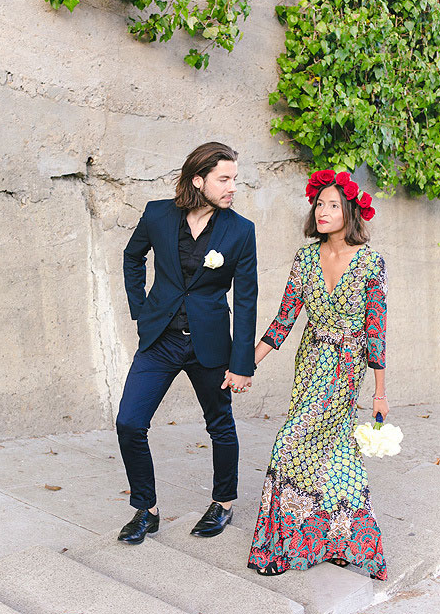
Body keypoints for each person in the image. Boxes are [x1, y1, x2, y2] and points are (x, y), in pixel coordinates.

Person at [248, 169, 388, 580]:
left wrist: (379, 393)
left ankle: (281, 549)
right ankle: (341, 540)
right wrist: (247, 364)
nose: (323, 211)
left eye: (333, 205)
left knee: (290, 442)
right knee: (334, 450)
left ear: (350, 211)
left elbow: (375, 331)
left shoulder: (370, 263)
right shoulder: (305, 257)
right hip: (310, 362)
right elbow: (285, 319)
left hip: (346, 367)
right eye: (319, 204)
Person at [117, 142, 257, 545]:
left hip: (209, 344)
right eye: (224, 179)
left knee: (220, 425)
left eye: (234, 179)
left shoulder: (241, 230)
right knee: (129, 422)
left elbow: (246, 299)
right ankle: (147, 509)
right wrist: (141, 308)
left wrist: (241, 362)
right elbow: (132, 257)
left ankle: (224, 503)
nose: (232, 187)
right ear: (199, 180)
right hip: (160, 338)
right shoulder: (157, 214)